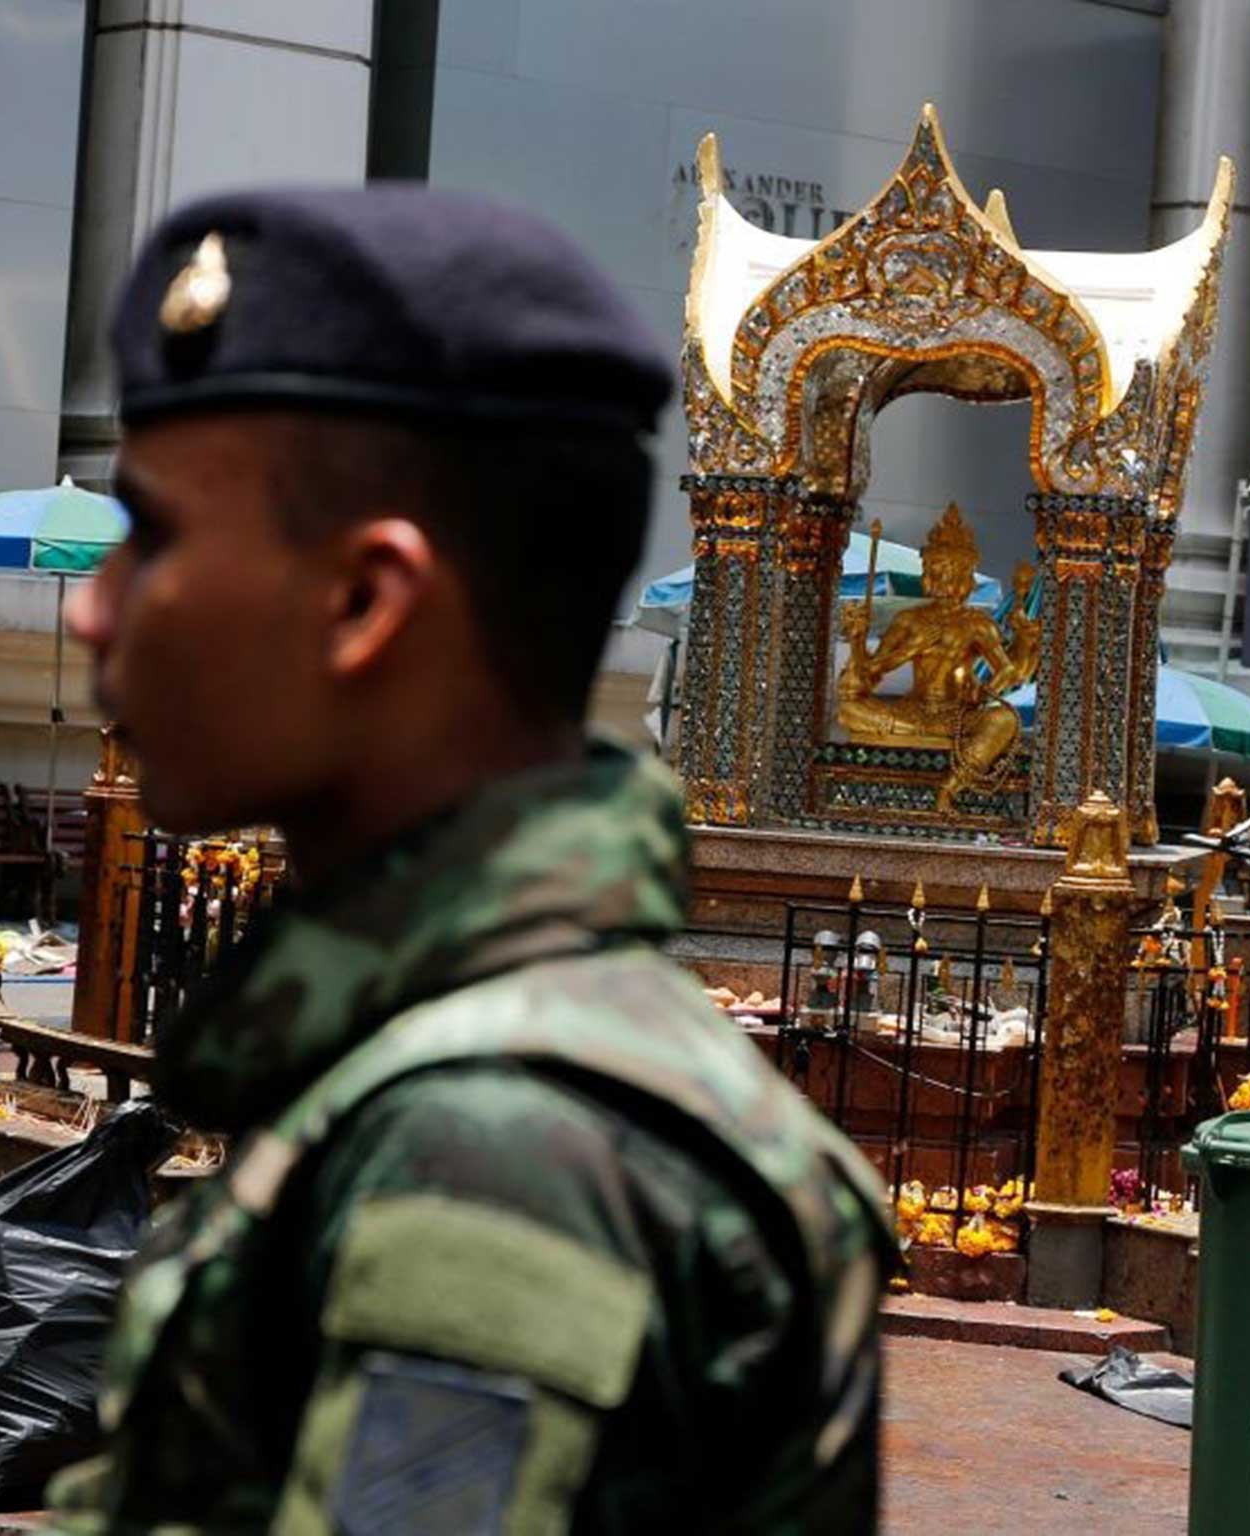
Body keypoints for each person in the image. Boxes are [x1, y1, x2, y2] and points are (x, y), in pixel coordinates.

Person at [46, 187, 893, 1533]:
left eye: (149, 538)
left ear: (367, 602)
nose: (93, 609)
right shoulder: (435, 1065)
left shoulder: (501, 1148)